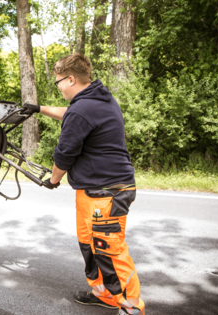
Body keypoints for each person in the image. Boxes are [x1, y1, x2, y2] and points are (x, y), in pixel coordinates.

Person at [21, 53, 146, 315]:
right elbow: (70, 113)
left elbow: (64, 154)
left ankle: (132, 308)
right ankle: (105, 295)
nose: (58, 87)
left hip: (106, 192)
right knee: (89, 244)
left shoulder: (84, 108)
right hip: (93, 190)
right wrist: (38, 109)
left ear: (70, 79)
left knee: (108, 248)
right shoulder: (98, 98)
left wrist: (53, 179)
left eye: (58, 83)